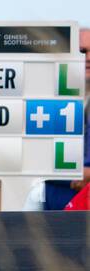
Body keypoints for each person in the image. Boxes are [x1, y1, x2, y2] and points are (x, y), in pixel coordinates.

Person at [39, 27, 90, 210]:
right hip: (53, 214)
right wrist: (76, 175)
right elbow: (35, 160)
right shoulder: (48, 102)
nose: (88, 57)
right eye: (82, 51)